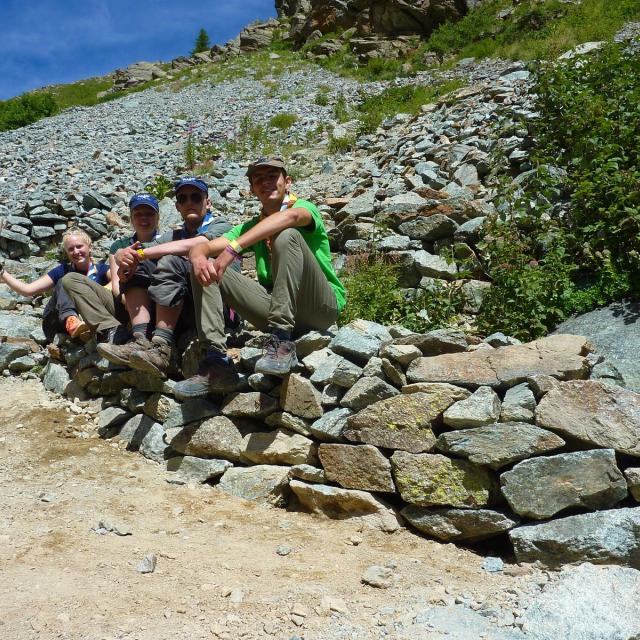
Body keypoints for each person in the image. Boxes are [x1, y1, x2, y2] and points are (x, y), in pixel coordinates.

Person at [174, 156, 346, 399]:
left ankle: (282, 342)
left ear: (287, 182)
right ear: (252, 190)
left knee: (286, 235)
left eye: (272, 177)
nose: (265, 183)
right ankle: (216, 361)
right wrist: (197, 257)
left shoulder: (304, 208)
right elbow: (205, 246)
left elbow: (289, 219)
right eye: (258, 179)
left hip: (318, 307)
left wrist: (233, 249)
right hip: (274, 307)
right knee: (206, 268)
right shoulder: (252, 226)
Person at [101, 178, 234, 375]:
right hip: (187, 307)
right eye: (183, 198)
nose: (189, 202)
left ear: (208, 202)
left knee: (168, 260)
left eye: (196, 197)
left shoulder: (222, 226)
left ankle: (162, 347)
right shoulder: (173, 235)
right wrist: (124, 255)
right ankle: (141, 340)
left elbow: (193, 245)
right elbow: (147, 249)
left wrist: (141, 254)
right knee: (140, 264)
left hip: (217, 309)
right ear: (178, 206)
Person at [63, 193, 162, 349]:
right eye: (138, 214)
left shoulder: (168, 240)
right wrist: (131, 299)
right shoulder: (118, 246)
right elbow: (116, 288)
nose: (144, 218)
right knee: (70, 279)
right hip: (126, 304)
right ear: (131, 218)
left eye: (149, 214)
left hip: (161, 303)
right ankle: (113, 329)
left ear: (157, 217)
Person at [0, 228, 109, 341]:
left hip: (90, 319)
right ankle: (71, 320)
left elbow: (118, 282)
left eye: (79, 246)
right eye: (71, 249)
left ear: (89, 247)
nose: (76, 252)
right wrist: (2, 272)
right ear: (67, 253)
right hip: (55, 324)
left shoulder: (102, 270)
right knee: (67, 280)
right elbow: (28, 290)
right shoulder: (62, 270)